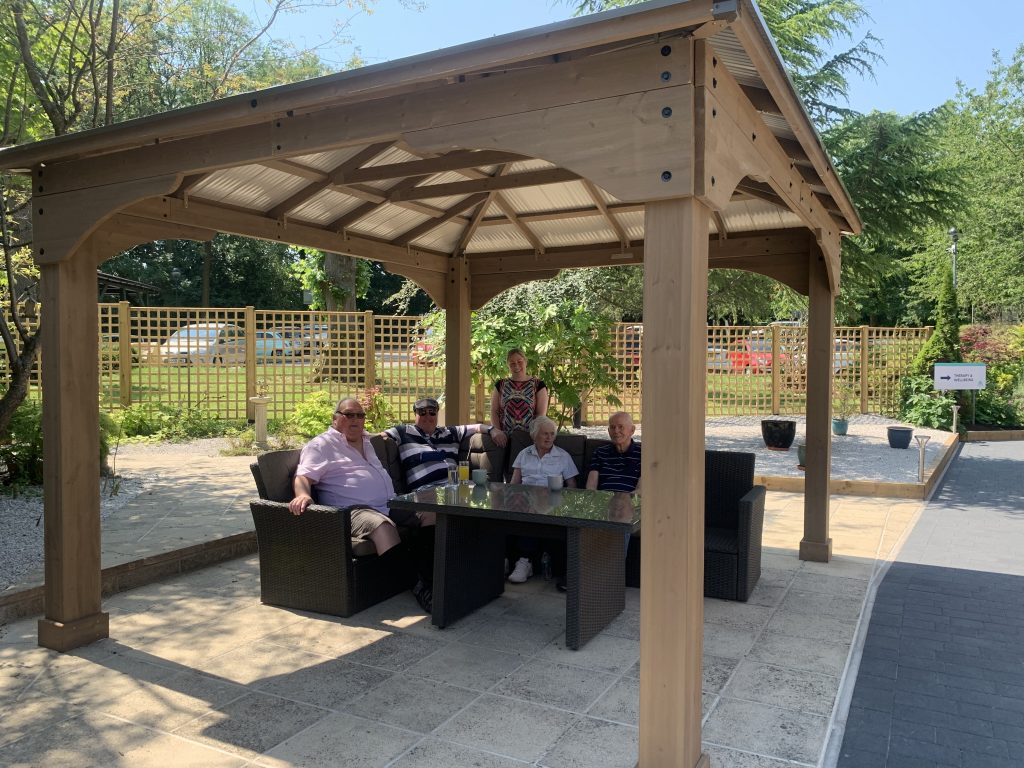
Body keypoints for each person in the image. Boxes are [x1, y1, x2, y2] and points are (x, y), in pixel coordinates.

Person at [288, 396, 434, 612]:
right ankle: (421, 589)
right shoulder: (321, 445)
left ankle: (432, 575)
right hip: (353, 510)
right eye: (349, 415)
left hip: (387, 503)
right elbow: (303, 477)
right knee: (383, 527)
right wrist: (302, 495)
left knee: (431, 514)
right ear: (335, 418)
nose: (355, 420)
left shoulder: (367, 441)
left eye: (360, 415)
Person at [507, 415, 578, 583]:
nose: (549, 437)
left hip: (553, 503)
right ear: (534, 435)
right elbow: (513, 485)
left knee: (538, 512)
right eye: (545, 433)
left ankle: (525, 561)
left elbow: (573, 487)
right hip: (525, 501)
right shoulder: (524, 454)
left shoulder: (563, 456)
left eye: (552, 434)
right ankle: (513, 561)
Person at [382, 398, 490, 491]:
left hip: (455, 488)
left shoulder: (450, 432)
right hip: (425, 492)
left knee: (484, 496)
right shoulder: (403, 431)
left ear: (437, 414)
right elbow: (378, 437)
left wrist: (492, 430)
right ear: (415, 414)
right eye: (422, 412)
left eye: (432, 412)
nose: (427, 416)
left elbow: (477, 427)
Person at [490, 348, 549, 448]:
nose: (516, 365)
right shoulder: (500, 385)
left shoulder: (538, 385)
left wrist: (532, 435)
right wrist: (498, 432)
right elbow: (494, 411)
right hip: (504, 440)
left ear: (526, 362)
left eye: (519, 362)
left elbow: (541, 415)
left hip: (529, 439)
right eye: (512, 363)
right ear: (508, 366)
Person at [586, 411, 642, 493]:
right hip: (602, 502)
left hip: (630, 502)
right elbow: (591, 486)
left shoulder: (643, 453)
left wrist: (624, 501)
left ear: (632, 430)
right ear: (608, 431)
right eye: (612, 427)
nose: (616, 431)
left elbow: (641, 489)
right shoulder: (600, 452)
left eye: (621, 427)